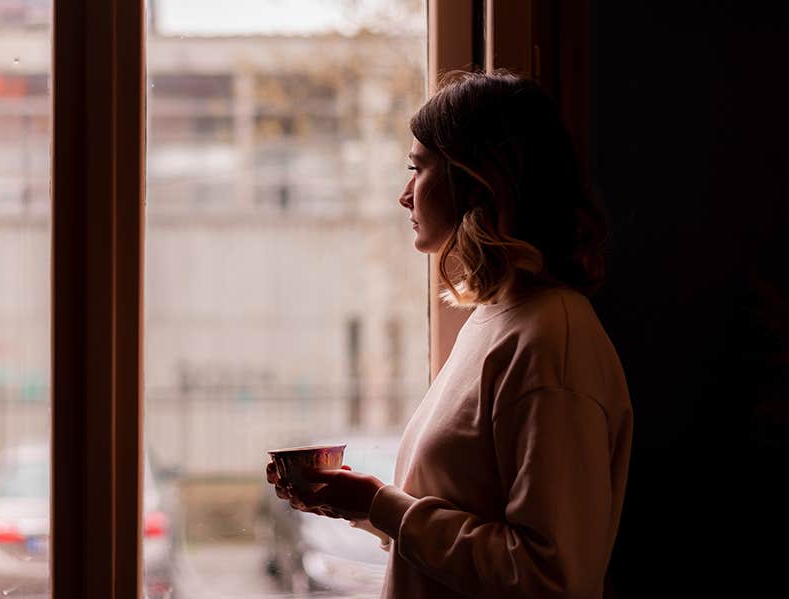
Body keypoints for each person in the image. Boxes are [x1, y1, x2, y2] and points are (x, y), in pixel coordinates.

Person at [266, 69, 633, 599]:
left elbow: (551, 579)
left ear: (476, 180)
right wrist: (358, 506)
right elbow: (460, 536)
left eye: (417, 168)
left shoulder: (551, 344)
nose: (404, 195)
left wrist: (382, 505)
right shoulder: (496, 322)